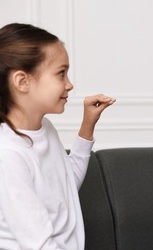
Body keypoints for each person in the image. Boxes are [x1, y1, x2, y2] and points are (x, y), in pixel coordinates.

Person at [0, 23, 116, 249]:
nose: (69, 84)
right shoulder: (8, 155)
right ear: (22, 81)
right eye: (61, 73)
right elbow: (40, 244)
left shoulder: (45, 128)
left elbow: (66, 187)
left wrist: (88, 125)